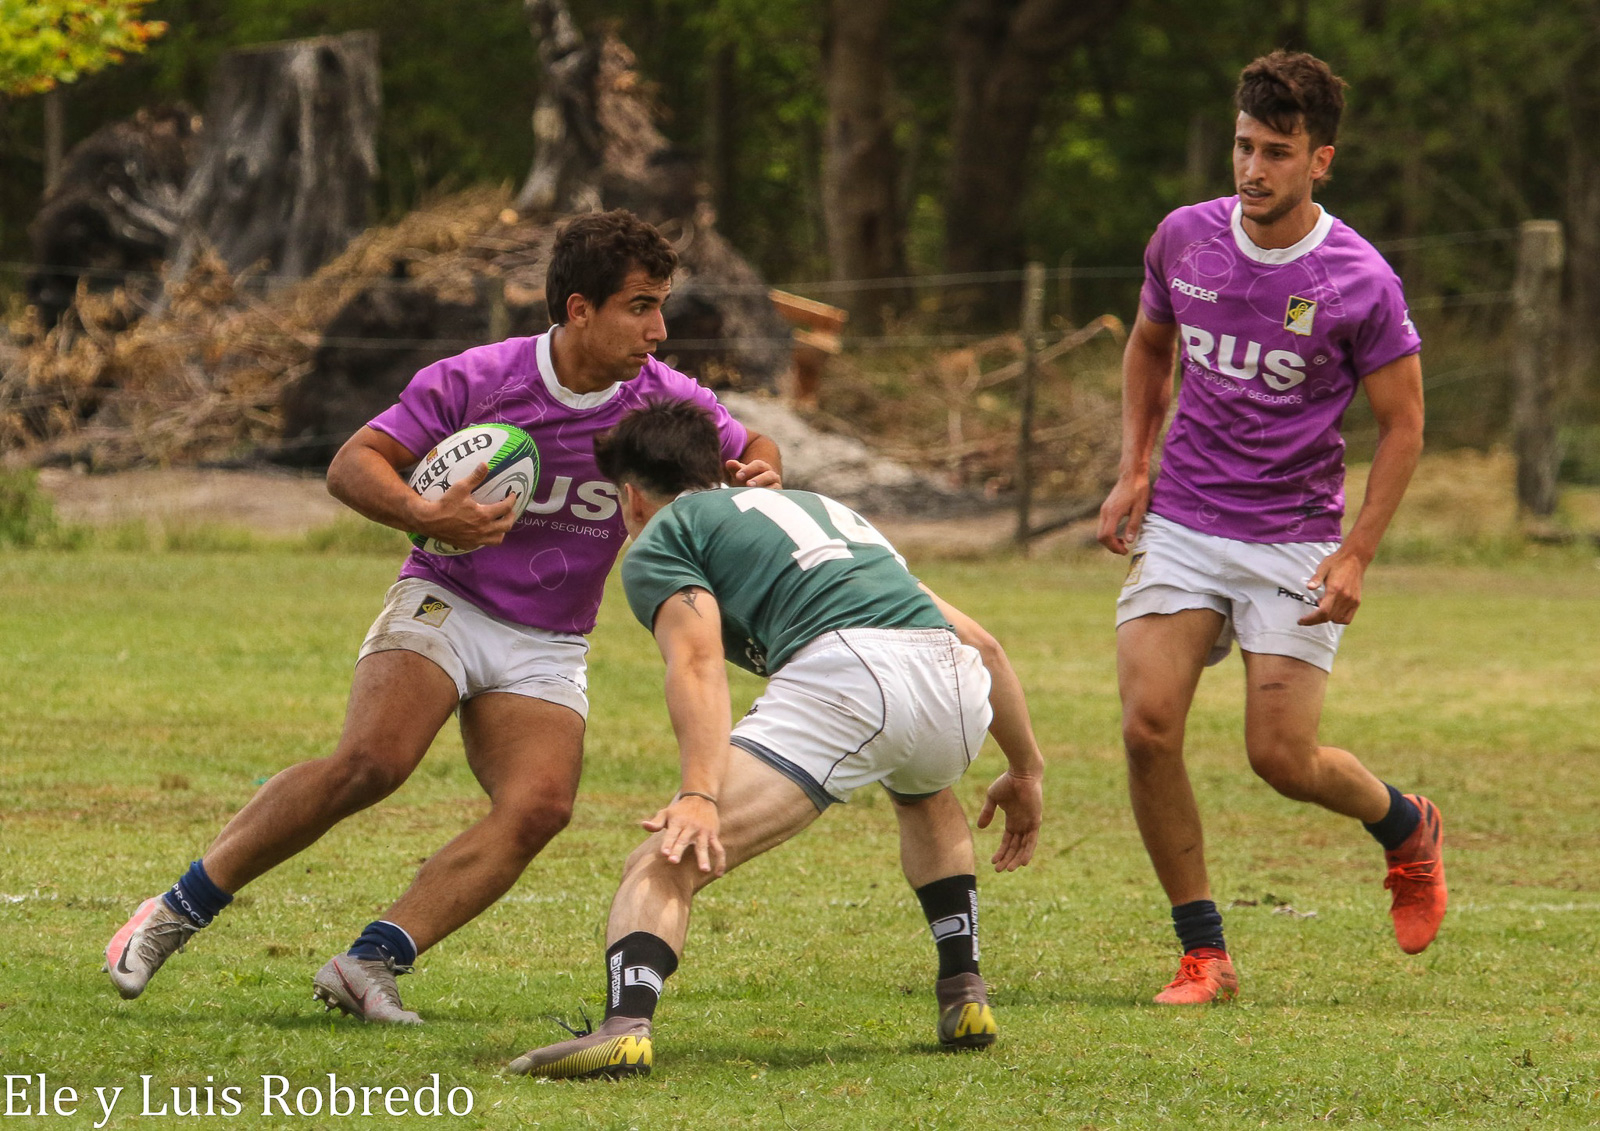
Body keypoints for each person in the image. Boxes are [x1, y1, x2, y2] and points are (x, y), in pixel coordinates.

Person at [104, 210, 782, 1023]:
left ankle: (370, 961)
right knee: (372, 762)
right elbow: (352, 463)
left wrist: (758, 474)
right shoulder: (481, 377)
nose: (659, 328)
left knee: (540, 807)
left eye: (661, 304)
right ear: (578, 310)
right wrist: (428, 514)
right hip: (447, 597)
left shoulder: (660, 396)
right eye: (640, 305)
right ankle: (172, 910)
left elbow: (758, 443)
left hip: (550, 637)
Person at [506, 401, 1045, 1079]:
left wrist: (699, 793)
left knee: (665, 856)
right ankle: (964, 992)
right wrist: (1025, 769)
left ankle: (624, 1026)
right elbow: (985, 645)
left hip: (850, 677)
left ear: (634, 495)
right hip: (952, 682)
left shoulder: (660, 535)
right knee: (923, 788)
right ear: (720, 467)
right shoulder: (821, 509)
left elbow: (697, 661)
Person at [1095, 51, 1444, 1005]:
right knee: (1146, 725)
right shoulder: (1184, 239)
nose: (1253, 170)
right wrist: (1136, 465)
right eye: (1244, 147)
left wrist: (1357, 552)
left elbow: (1405, 425)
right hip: (1187, 520)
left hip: (1293, 535)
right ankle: (1203, 950)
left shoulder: (1360, 280)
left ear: (1320, 160)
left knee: (1280, 758)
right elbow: (1149, 342)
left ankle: (1407, 827)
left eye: (1277, 153)